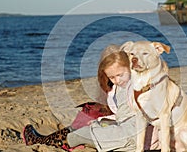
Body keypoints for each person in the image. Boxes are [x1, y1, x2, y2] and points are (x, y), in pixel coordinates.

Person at [23, 44, 160, 151]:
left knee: (82, 130)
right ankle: (47, 139)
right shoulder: (120, 85)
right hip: (128, 129)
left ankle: (43, 141)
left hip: (134, 135)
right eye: (112, 77)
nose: (117, 80)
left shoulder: (135, 84)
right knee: (90, 125)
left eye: (120, 74)